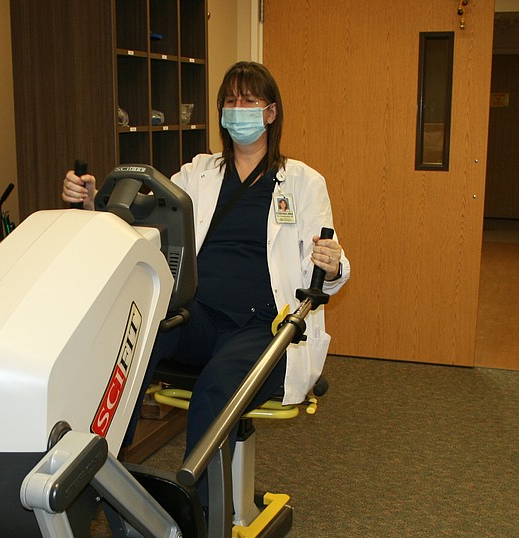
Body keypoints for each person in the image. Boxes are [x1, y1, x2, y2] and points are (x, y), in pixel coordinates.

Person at [62, 61, 350, 459]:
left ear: (270, 113)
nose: (237, 109)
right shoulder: (198, 172)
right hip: (200, 316)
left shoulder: (303, 182)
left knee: (215, 386)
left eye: (248, 101)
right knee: (134, 338)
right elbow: (145, 220)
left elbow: (325, 266)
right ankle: (101, 460)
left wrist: (333, 265)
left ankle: (198, 497)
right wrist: (95, 201)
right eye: (230, 101)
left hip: (263, 326)